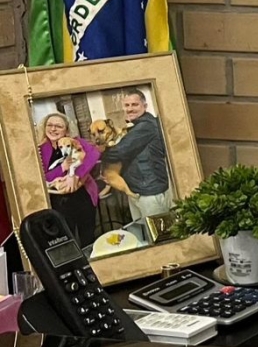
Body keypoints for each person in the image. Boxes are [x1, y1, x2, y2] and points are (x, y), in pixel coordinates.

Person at [102, 88, 172, 221]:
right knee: (144, 231)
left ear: (145, 106)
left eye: (135, 104)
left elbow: (118, 152)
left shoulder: (146, 126)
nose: (130, 109)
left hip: (150, 193)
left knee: (159, 233)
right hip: (137, 191)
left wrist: (98, 152)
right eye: (126, 105)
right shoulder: (134, 127)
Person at [37, 112, 101, 248]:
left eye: (58, 126)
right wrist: (63, 167)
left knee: (87, 236)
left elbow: (93, 154)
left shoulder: (76, 142)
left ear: (66, 130)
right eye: (49, 125)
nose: (53, 129)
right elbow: (43, 177)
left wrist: (75, 175)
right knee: (65, 237)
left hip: (82, 195)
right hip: (57, 200)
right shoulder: (41, 150)